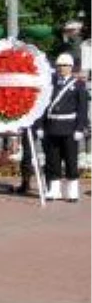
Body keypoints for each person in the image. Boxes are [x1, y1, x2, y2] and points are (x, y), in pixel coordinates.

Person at [42, 52, 89, 202]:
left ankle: (72, 191)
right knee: (52, 160)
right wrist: (41, 126)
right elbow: (43, 107)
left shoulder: (78, 85)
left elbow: (82, 108)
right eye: (60, 65)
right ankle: (54, 191)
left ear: (71, 67)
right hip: (52, 127)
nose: (62, 68)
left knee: (70, 160)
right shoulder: (50, 84)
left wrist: (80, 128)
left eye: (65, 65)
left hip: (69, 128)